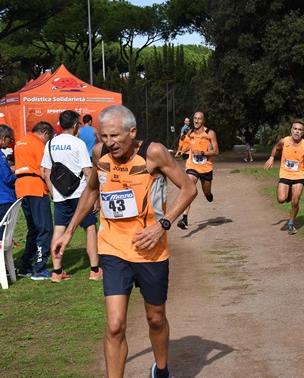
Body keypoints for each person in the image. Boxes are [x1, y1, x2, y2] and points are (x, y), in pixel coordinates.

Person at [51, 105, 197, 378]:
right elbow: (92, 190)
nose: (109, 143)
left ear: (133, 132)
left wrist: (162, 226)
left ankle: (162, 370)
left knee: (155, 318)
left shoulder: (153, 153)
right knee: (115, 324)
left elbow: (189, 188)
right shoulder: (99, 154)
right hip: (113, 249)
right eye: (104, 136)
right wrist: (68, 232)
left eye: (115, 136)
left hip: (150, 249)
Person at [40, 110, 102, 283]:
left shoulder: (50, 144)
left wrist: (54, 194)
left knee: (59, 229)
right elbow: (88, 171)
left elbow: (46, 172)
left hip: (60, 195)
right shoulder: (78, 144)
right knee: (89, 228)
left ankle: (57, 272)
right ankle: (94, 270)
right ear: (75, 125)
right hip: (81, 194)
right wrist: (95, 197)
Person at [14, 121, 54, 280]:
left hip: (22, 188)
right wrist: (52, 192)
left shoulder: (20, 142)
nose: (48, 140)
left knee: (33, 229)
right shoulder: (38, 145)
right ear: (44, 132)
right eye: (49, 137)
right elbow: (44, 170)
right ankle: (39, 267)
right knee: (45, 228)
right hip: (36, 187)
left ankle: (25, 266)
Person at [263, 121, 304, 235]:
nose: (297, 131)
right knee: (281, 199)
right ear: (291, 130)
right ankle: (287, 193)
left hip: (298, 175)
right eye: (295, 129)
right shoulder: (284, 141)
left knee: (295, 201)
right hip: (285, 173)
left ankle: (291, 224)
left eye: (300, 130)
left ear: (302, 132)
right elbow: (276, 148)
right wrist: (272, 157)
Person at [176, 111, 219, 230]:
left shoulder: (210, 133)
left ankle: (208, 194)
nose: (196, 121)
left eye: (199, 119)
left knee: (206, 192)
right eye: (195, 118)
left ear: (203, 121)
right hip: (192, 166)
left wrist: (202, 153)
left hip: (206, 168)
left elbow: (216, 151)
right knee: (189, 188)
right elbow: (192, 145)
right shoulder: (190, 133)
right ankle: (184, 219)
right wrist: (184, 150)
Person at [0, 124, 17, 237]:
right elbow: (8, 179)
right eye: (10, 139)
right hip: (4, 199)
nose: (10, 142)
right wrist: (19, 172)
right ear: (3, 137)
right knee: (3, 233)